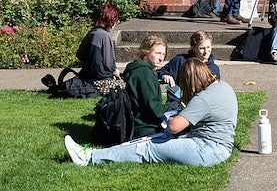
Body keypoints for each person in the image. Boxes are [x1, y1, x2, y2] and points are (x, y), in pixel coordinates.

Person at [65, 58, 238, 167]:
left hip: (208, 149)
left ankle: (89, 158)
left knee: (148, 148)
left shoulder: (203, 99)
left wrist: (178, 114)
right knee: (152, 139)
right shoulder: (223, 86)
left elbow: (173, 127)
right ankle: (95, 154)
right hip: (219, 146)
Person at [122, 34, 172, 138]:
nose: (161, 58)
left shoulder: (137, 69)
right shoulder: (144, 74)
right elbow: (155, 110)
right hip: (144, 127)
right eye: (158, 53)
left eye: (163, 54)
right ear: (146, 52)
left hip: (136, 124)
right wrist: (177, 107)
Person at [158, 30, 220, 103]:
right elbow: (158, 73)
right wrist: (164, 76)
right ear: (193, 48)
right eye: (202, 48)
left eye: (208, 47)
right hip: (177, 103)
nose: (206, 51)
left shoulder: (214, 68)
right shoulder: (180, 61)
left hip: (200, 106)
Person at [75, 2, 124, 94]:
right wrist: (116, 71)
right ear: (111, 20)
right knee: (124, 85)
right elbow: (109, 64)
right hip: (101, 78)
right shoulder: (105, 36)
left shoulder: (91, 33)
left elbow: (80, 55)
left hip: (87, 76)